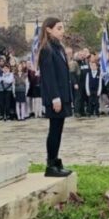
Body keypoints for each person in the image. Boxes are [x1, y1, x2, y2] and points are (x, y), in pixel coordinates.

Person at [37, 17, 73, 177]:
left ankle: (55, 161)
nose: (62, 31)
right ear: (48, 29)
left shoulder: (58, 47)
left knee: (58, 130)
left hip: (63, 94)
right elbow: (49, 76)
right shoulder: (47, 49)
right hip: (55, 97)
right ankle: (51, 165)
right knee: (54, 130)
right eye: (59, 28)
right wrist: (55, 98)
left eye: (62, 28)